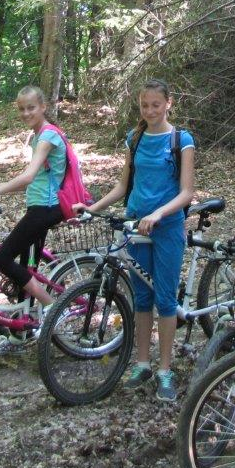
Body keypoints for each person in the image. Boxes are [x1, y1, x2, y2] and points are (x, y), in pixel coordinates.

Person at [75, 80, 195, 402]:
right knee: (141, 298)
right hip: (135, 226)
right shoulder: (135, 138)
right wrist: (92, 208)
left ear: (168, 103)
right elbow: (122, 187)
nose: (150, 111)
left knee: (165, 300)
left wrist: (158, 213)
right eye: (145, 105)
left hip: (167, 227)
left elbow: (187, 192)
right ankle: (142, 364)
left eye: (156, 105)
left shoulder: (181, 140)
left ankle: (165, 370)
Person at [0, 86, 66, 313]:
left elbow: (28, 177)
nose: (26, 113)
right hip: (40, 207)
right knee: (27, 269)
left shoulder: (48, 136)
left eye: (31, 108)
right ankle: (25, 326)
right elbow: (34, 182)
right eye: (21, 109)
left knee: (3, 259)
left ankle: (54, 308)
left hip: (45, 209)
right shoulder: (39, 136)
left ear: (43, 107)